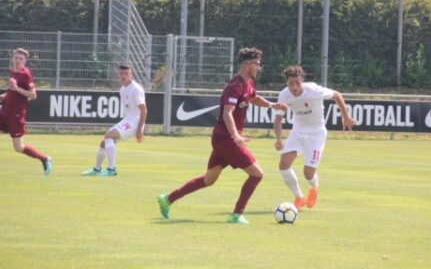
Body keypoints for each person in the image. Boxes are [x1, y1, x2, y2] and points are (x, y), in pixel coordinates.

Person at [157, 47, 287, 224]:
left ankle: (168, 199)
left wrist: (272, 105)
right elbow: (227, 113)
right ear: (247, 65)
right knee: (257, 174)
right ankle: (237, 214)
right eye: (257, 64)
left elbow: (254, 97)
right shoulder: (234, 87)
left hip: (222, 139)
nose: (259, 68)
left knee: (208, 180)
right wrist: (236, 136)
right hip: (227, 140)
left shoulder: (248, 83)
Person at [273, 65, 357, 210]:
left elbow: (337, 95)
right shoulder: (284, 95)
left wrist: (346, 117)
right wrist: (279, 139)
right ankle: (299, 198)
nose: (294, 87)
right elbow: (278, 119)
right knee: (284, 164)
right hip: (298, 132)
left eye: (297, 83)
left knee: (308, 173)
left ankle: (314, 187)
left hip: (316, 134)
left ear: (302, 81)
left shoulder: (313, 90)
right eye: (291, 84)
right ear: (287, 83)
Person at [82, 63, 147, 176]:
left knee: (109, 135)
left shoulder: (136, 89)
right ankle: (97, 169)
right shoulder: (122, 89)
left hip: (135, 123)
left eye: (126, 73)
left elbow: (144, 110)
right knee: (104, 143)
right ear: (118, 74)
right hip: (128, 120)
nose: (123, 76)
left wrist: (140, 130)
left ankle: (112, 170)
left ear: (131, 74)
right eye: (121, 73)